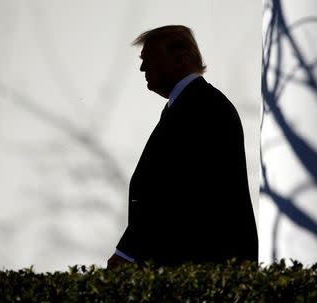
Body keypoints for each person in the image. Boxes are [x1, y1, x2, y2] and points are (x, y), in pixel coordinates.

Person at [107, 25, 258, 269]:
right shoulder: (192, 104)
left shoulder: (201, 107)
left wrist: (127, 251)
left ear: (182, 59)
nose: (143, 68)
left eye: (150, 59)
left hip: (198, 266)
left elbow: (172, 188)